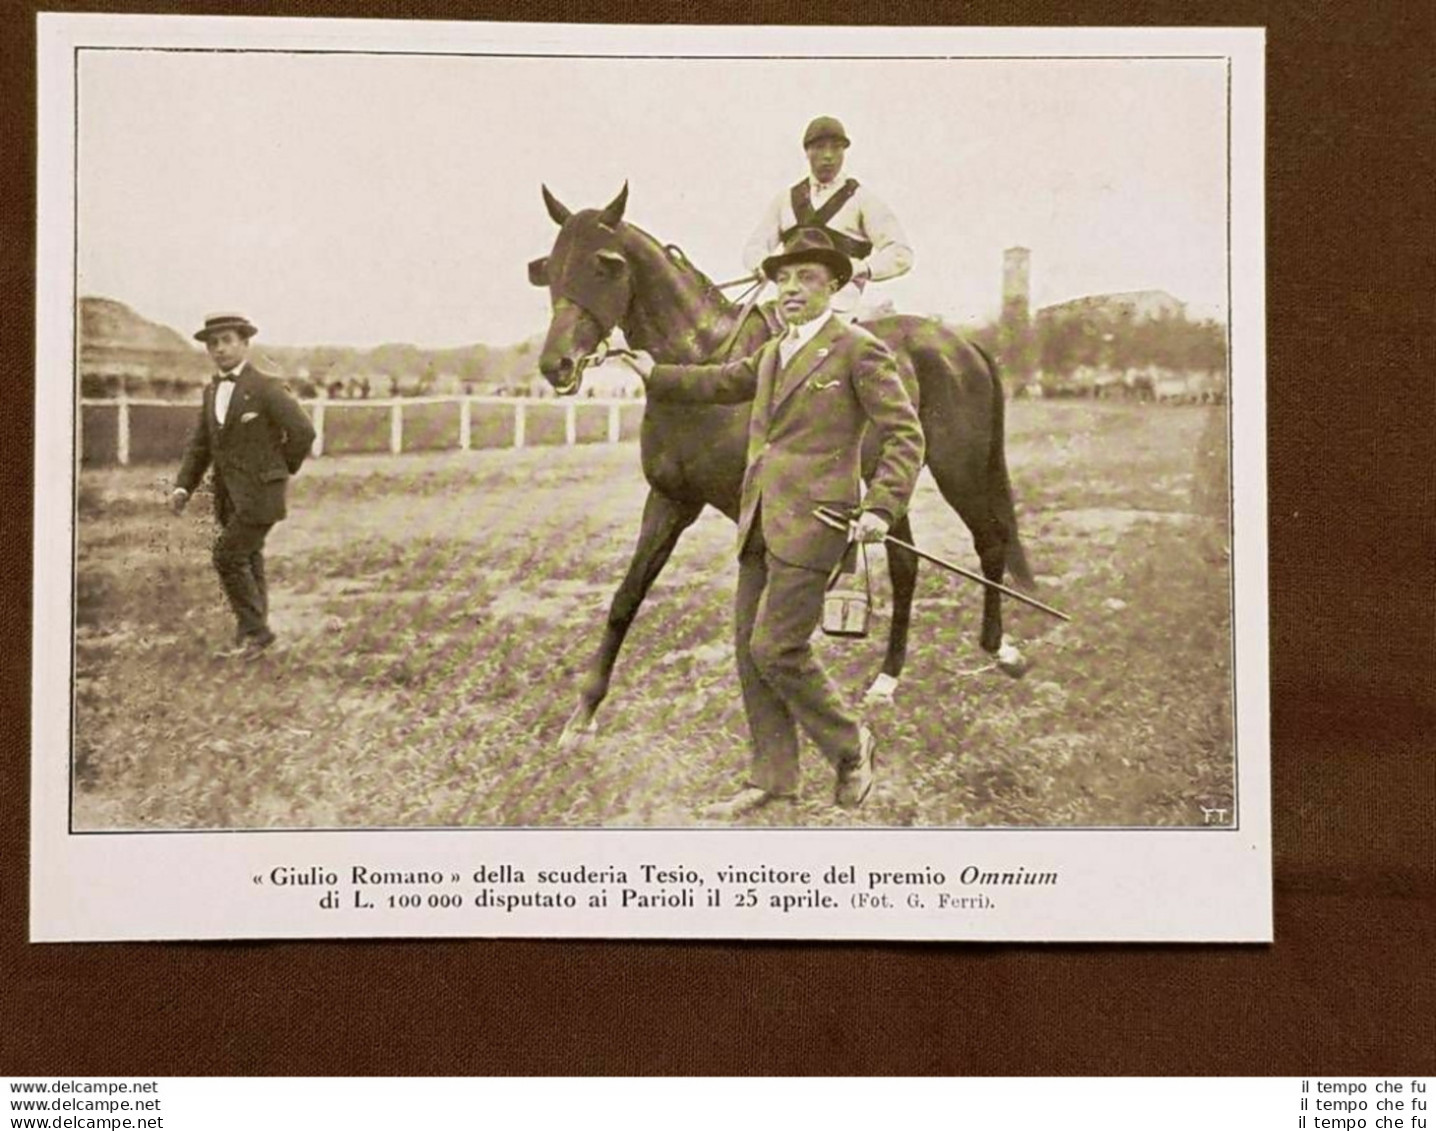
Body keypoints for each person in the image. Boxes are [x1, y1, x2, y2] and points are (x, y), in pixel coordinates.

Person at [622, 229, 925, 816]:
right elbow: (720, 382)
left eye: (806, 278)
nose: (790, 289)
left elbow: (906, 434)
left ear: (834, 287)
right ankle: (773, 778)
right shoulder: (773, 351)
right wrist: (655, 373)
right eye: (783, 278)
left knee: (776, 648)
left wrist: (883, 506)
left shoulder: (858, 349)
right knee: (747, 649)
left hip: (815, 525)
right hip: (758, 518)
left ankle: (850, 743)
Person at [170, 313, 316, 660]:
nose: (219, 349)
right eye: (212, 343)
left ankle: (257, 633)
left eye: (227, 340)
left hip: (261, 494)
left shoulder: (266, 386)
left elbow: (303, 432)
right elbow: (201, 446)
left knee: (227, 555)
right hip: (228, 496)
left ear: (245, 343)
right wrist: (182, 488)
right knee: (249, 559)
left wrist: (279, 469)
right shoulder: (211, 391)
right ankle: (254, 636)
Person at [742, 116, 913, 318]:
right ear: (807, 152)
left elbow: (901, 254)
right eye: (821, 147)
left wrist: (861, 268)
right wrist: (762, 265)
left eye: (836, 148)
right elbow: (755, 246)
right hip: (790, 306)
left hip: (841, 307)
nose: (828, 156)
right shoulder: (785, 199)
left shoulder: (862, 199)